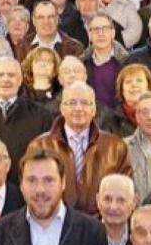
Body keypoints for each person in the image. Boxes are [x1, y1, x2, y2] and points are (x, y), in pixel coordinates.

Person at [26, 81, 132, 216]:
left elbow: (124, 192)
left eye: (85, 103)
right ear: (62, 108)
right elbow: (31, 190)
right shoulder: (40, 145)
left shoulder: (115, 147)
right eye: (72, 103)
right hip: (55, 223)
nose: (78, 108)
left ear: (94, 109)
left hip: (101, 224)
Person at [0, 57, 54, 183]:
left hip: (26, 189)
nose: (5, 79)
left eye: (11, 75)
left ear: (20, 80)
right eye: (0, 75)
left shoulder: (42, 116)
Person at [82, 11, 128, 113]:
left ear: (113, 33)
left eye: (105, 29)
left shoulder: (127, 62)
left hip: (119, 118)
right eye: (96, 29)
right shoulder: (81, 64)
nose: (100, 33)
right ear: (89, 35)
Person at [14, 0, 85, 63]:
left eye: (51, 17)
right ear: (34, 21)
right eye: (41, 17)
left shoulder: (75, 48)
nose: (46, 22)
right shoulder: (21, 47)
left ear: (57, 19)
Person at [96, 174, 137, 245]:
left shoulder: (144, 239)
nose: (113, 207)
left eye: (121, 200)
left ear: (134, 202)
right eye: (107, 199)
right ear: (98, 201)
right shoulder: (83, 237)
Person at [113, 63, 151, 137]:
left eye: (139, 80)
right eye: (128, 82)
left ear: (149, 87)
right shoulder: (111, 121)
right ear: (122, 90)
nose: (134, 85)